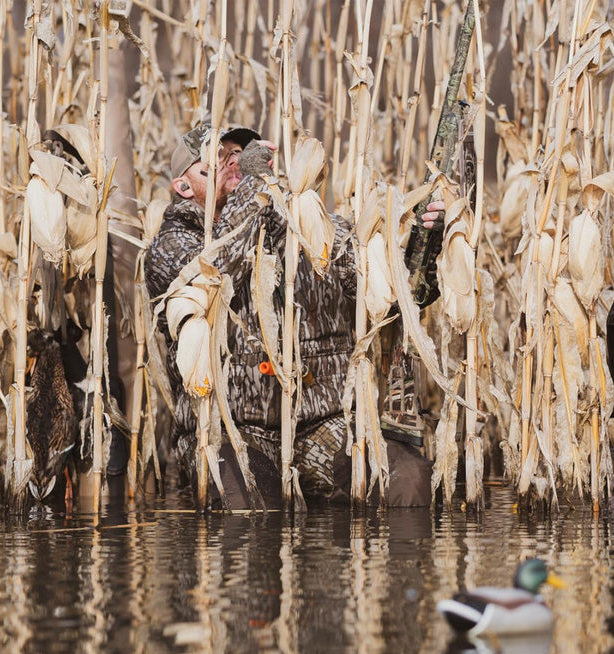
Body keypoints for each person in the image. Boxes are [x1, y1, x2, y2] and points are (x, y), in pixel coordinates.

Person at [145, 122, 436, 508]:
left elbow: (391, 296)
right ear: (184, 188)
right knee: (245, 508)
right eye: (218, 160)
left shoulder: (309, 226)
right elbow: (213, 277)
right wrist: (254, 189)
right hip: (229, 431)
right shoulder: (170, 248)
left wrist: (427, 243)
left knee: (407, 483)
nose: (234, 164)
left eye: (241, 157)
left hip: (322, 426)